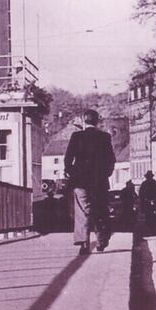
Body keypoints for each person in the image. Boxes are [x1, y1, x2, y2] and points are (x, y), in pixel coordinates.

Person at [64, 109, 115, 254]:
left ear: (83, 120)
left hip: (80, 181)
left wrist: (70, 172)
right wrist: (106, 174)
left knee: (82, 211)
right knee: (100, 210)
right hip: (99, 182)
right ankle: (101, 241)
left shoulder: (76, 136)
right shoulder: (104, 137)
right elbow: (111, 159)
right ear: (97, 121)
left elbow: (68, 158)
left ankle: (84, 244)